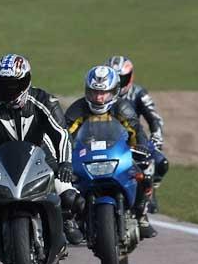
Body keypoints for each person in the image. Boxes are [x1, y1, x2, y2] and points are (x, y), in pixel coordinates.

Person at [0, 54, 80, 254]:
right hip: (3, 162)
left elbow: (61, 134)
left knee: (70, 198)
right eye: (3, 85)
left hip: (43, 157)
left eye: (14, 85)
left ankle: (65, 222)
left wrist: (65, 163)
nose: (9, 91)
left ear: (26, 81)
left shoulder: (44, 100)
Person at [65, 65, 157, 238]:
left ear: (114, 91)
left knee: (146, 173)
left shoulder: (123, 109)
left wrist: (142, 147)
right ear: (87, 91)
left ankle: (141, 214)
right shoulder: (77, 109)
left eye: (104, 93)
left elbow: (137, 131)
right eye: (94, 92)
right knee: (63, 182)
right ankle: (69, 219)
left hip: (117, 156)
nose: (99, 98)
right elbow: (63, 133)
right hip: (86, 158)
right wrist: (63, 155)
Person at [106, 55, 169, 212]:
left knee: (160, 163)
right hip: (107, 141)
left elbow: (154, 119)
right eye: (115, 79)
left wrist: (156, 138)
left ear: (130, 77)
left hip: (135, 140)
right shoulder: (100, 95)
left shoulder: (139, 93)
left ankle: (149, 193)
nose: (119, 83)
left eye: (123, 78)